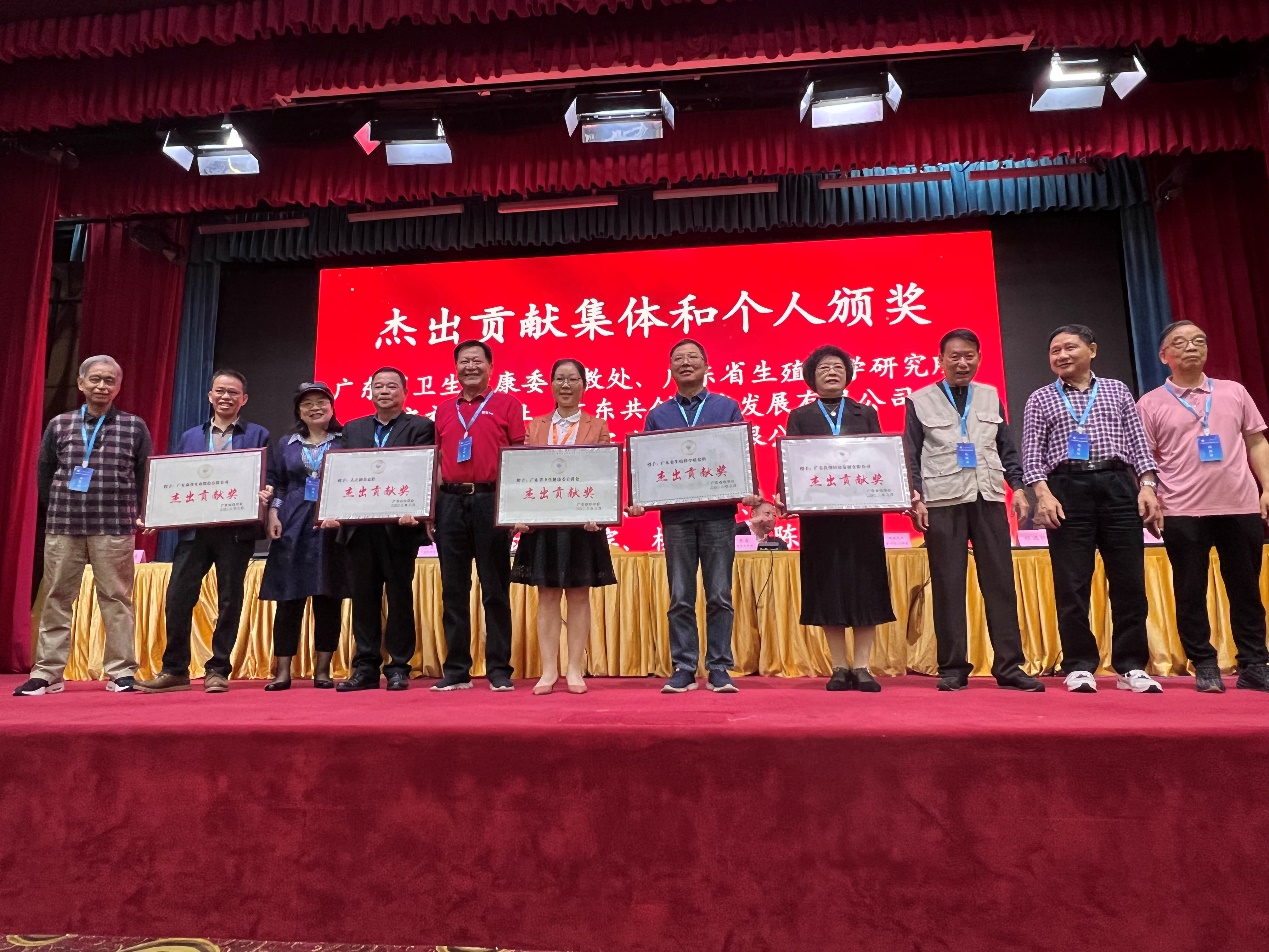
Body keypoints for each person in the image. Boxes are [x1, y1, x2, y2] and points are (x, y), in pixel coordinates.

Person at [1022, 324, 1163, 694]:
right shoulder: (1040, 398)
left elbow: (1138, 444)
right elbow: (1032, 455)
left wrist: (1148, 486)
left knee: (1129, 581)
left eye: (1070, 347)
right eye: (1055, 350)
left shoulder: (1117, 390)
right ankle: (1079, 665)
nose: (1062, 356)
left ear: (1092, 350)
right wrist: (1043, 494)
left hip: (1117, 485)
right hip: (1066, 489)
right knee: (1071, 584)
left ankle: (1131, 666)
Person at [905, 329, 1044, 692]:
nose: (962, 363)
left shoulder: (990, 395)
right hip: (942, 501)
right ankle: (953, 667)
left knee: (1000, 583)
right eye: (954, 356)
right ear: (941, 360)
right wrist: (916, 498)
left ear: (979, 358)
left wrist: (1018, 488)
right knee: (948, 585)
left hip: (988, 498)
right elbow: (911, 453)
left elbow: (1005, 446)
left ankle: (1009, 666)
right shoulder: (919, 400)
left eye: (969, 356)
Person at [1137, 320, 1269, 694]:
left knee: (1246, 590)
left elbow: (1257, 442)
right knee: (1190, 591)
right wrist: (1149, 492)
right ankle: (1205, 663)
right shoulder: (1150, 403)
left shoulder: (1234, 392)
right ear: (1164, 356)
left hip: (1239, 505)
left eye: (1199, 340)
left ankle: (1255, 663)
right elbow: (1144, 459)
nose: (1191, 347)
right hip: (1182, 510)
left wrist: (1267, 487)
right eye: (1180, 343)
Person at [627, 338, 758, 694]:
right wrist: (639, 499)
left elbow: (739, 456)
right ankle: (684, 666)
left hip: (718, 517)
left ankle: (719, 667)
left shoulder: (726, 407)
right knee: (681, 597)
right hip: (677, 519)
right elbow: (647, 467)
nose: (686, 363)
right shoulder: (658, 415)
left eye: (693, 357)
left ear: (706, 365)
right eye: (679, 358)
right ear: (670, 367)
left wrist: (749, 489)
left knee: (719, 595)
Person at [16, 356, 152, 696]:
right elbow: (45, 471)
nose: (102, 386)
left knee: (116, 599)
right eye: (95, 379)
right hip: (64, 525)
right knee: (56, 598)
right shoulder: (59, 424)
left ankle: (121, 672)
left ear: (118, 387)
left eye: (109, 380)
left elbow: (144, 475)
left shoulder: (134, 426)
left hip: (114, 525)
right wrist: (56, 509)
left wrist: (142, 512)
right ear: (81, 383)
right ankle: (48, 672)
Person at [137, 370, 269, 694]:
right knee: (178, 598)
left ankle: (218, 669)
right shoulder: (190, 437)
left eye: (233, 392)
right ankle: (175, 670)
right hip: (194, 531)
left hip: (235, 532)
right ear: (210, 396)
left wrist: (266, 492)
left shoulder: (258, 435)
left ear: (244, 399)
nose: (226, 397)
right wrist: (157, 514)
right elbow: (174, 481)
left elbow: (268, 477)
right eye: (220, 391)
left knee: (229, 600)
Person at [785, 345, 893, 693]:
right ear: (811, 378)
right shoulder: (800, 416)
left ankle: (862, 666)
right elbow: (792, 463)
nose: (831, 372)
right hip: (821, 518)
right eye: (823, 369)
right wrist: (787, 495)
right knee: (828, 585)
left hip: (863, 516)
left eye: (837, 367)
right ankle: (838, 666)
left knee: (866, 585)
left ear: (848, 375)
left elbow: (882, 458)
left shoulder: (866, 413)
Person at [511, 359, 617, 696]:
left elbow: (604, 475)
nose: (566, 385)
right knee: (546, 595)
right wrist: (519, 513)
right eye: (560, 379)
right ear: (551, 385)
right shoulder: (535, 426)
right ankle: (548, 670)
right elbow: (524, 475)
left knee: (579, 595)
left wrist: (601, 511)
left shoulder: (597, 426)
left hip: (583, 523)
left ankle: (574, 669)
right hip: (543, 523)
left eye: (573, 379)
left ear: (584, 385)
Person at [431, 340, 526, 692]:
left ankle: (499, 668)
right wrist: (431, 510)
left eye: (477, 361)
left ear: (490, 367)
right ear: (455, 368)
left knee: (495, 588)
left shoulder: (508, 404)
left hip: (491, 500)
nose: (470, 367)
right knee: (453, 590)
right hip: (450, 503)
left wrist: (514, 509)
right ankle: (457, 669)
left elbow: (518, 459)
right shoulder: (444, 409)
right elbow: (437, 462)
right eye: (464, 361)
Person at [332, 367, 435, 692]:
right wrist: (334, 510)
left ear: (405, 392)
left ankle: (399, 667)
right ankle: (365, 668)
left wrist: (417, 509)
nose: (385, 391)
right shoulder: (353, 428)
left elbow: (422, 471)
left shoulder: (420, 427)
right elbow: (342, 474)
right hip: (360, 529)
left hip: (399, 528)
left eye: (392, 386)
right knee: (364, 599)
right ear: (370, 391)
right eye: (378, 386)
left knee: (400, 597)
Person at [259, 382, 350, 691]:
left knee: (328, 598)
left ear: (332, 407)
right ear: (298, 411)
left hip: (332, 523)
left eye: (321, 402)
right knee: (288, 598)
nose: (315, 408)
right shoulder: (287, 443)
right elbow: (278, 483)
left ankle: (323, 671)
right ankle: (282, 672)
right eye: (307, 403)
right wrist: (273, 513)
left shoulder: (346, 440)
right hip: (292, 522)